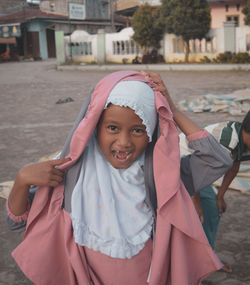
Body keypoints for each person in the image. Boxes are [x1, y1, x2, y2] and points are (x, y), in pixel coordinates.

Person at [5, 71, 232, 285]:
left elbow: (217, 160)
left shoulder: (163, 177)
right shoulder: (70, 176)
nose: (123, 142)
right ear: (94, 127)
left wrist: (171, 109)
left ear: (151, 132)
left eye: (137, 130)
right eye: (112, 127)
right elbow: (18, 221)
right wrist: (22, 180)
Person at [190, 111, 250, 273]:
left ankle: (207, 257)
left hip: (199, 176)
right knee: (196, 216)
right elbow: (194, 170)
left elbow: (234, 166)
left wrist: (220, 196)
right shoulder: (226, 142)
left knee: (213, 210)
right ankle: (191, 262)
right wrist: (195, 202)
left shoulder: (243, 141)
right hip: (180, 166)